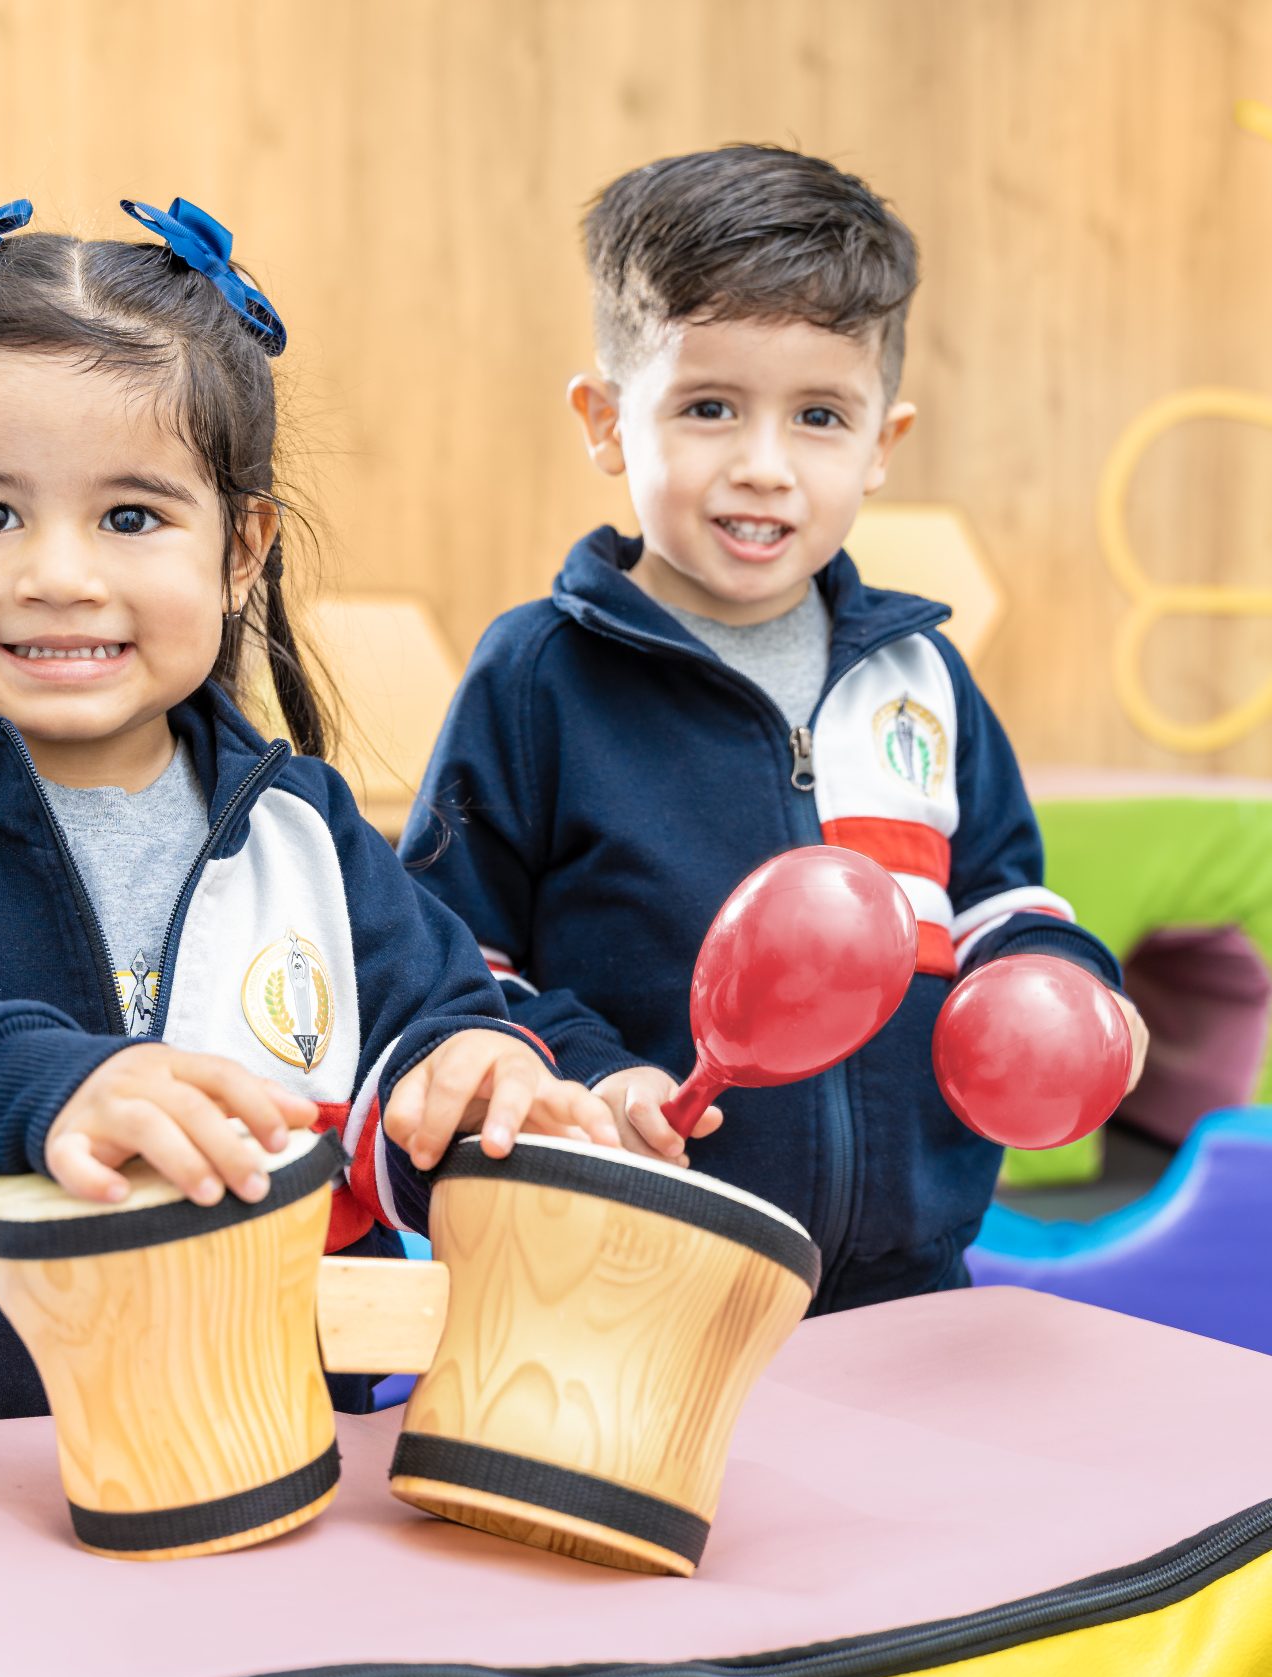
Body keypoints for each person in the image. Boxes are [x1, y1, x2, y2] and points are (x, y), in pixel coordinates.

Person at [0, 196, 612, 1441]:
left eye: (131, 518)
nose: (61, 576)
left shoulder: (311, 836)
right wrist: (40, 1093)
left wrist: (473, 1092)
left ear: (241, 551)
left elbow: (409, 1076)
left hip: (250, 1452)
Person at [402, 148, 1147, 1313]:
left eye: (818, 417)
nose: (763, 468)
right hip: (629, 1275)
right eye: (709, 408)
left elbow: (1001, 899)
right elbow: (450, 960)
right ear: (606, 423)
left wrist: (1065, 984)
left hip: (907, 1281)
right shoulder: (536, 676)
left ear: (882, 443)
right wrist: (592, 1076)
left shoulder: (920, 676)